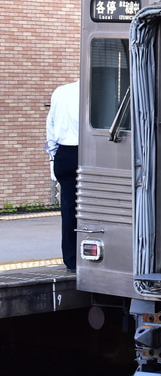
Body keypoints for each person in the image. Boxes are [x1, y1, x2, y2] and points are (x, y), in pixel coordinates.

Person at [45, 79, 80, 271]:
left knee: (68, 208)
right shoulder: (94, 94)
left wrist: (53, 155)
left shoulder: (60, 91)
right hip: (84, 152)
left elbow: (50, 124)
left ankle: (70, 258)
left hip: (63, 154)